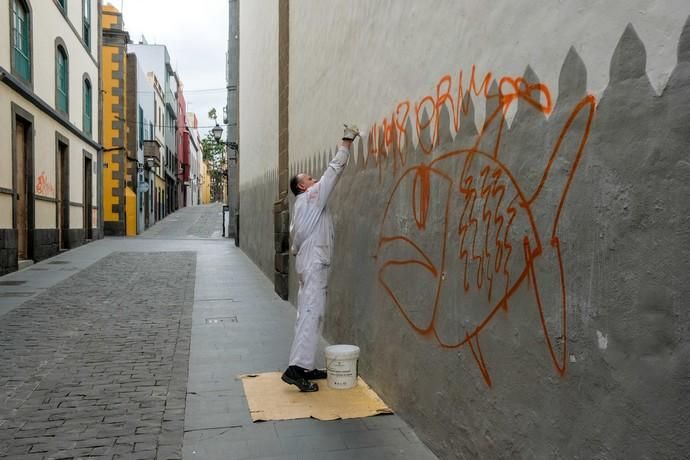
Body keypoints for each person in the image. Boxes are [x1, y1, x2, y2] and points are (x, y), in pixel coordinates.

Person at [281, 124, 360, 392]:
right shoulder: (311, 198)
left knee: (309, 314)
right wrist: (346, 143)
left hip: (309, 263)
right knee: (311, 315)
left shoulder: (302, 206)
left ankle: (304, 365)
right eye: (310, 179)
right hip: (314, 264)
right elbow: (332, 173)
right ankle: (295, 370)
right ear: (303, 186)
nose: (315, 181)